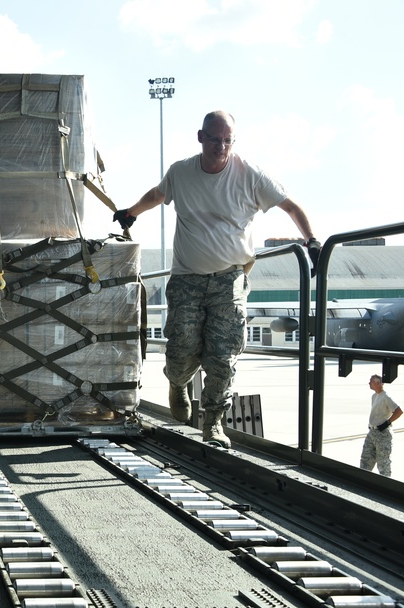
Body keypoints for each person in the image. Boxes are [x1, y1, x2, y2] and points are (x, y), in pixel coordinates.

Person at [113, 110, 321, 447]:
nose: (221, 146)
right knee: (182, 350)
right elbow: (158, 194)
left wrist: (311, 239)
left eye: (227, 140)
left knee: (222, 357)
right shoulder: (181, 172)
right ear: (201, 137)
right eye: (214, 139)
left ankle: (213, 422)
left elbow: (291, 207)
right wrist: (130, 213)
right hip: (186, 279)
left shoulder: (251, 175)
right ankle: (178, 383)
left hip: (230, 279)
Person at [361, 374, 401, 476]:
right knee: (366, 459)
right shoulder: (374, 396)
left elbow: (398, 411)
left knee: (383, 462)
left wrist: (387, 422)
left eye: (371, 382)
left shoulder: (386, 397)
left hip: (382, 433)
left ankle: (386, 484)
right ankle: (363, 481)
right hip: (372, 431)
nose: (369, 383)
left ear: (378, 383)